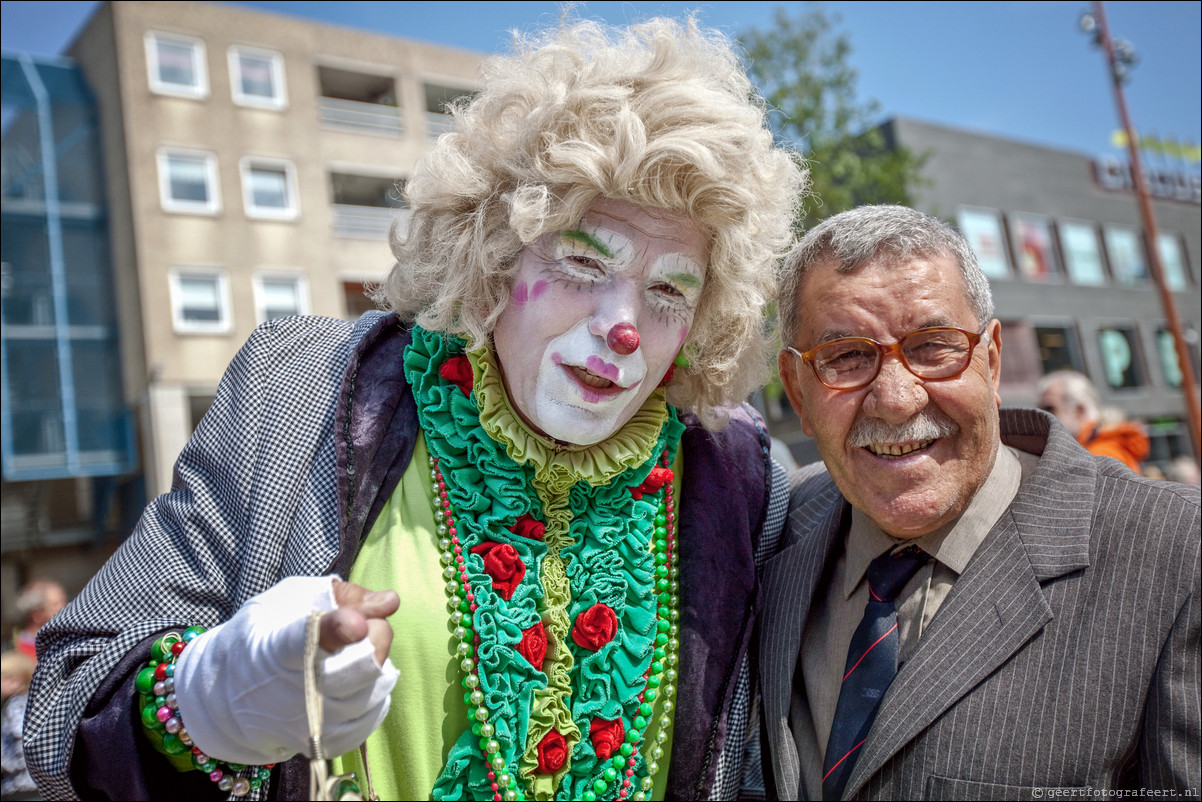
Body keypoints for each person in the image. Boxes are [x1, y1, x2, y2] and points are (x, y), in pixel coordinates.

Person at [26, 16, 806, 802]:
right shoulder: (302, 389)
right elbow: (61, 710)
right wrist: (207, 702)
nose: (625, 326)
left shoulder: (740, 479)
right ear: (494, 254)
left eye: (670, 289)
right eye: (580, 260)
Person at [761, 205, 1200, 800]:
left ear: (991, 362)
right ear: (797, 391)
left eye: (933, 346)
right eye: (847, 357)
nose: (895, 399)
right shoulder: (778, 526)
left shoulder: (1175, 552)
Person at [1036, 369, 1150, 473]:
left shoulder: (1100, 455)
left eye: (1050, 408)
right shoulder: (1094, 449)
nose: (1043, 417)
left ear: (1079, 410)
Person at [1, 651, 39, 801]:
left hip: (20, 787)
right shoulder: (30, 702)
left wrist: (6, 765)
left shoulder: (16, 705)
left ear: (16, 680)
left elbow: (23, 741)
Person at [10, 581, 66, 662]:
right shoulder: (22, 652)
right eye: (56, 604)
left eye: (63, 601)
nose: (65, 608)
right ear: (37, 615)